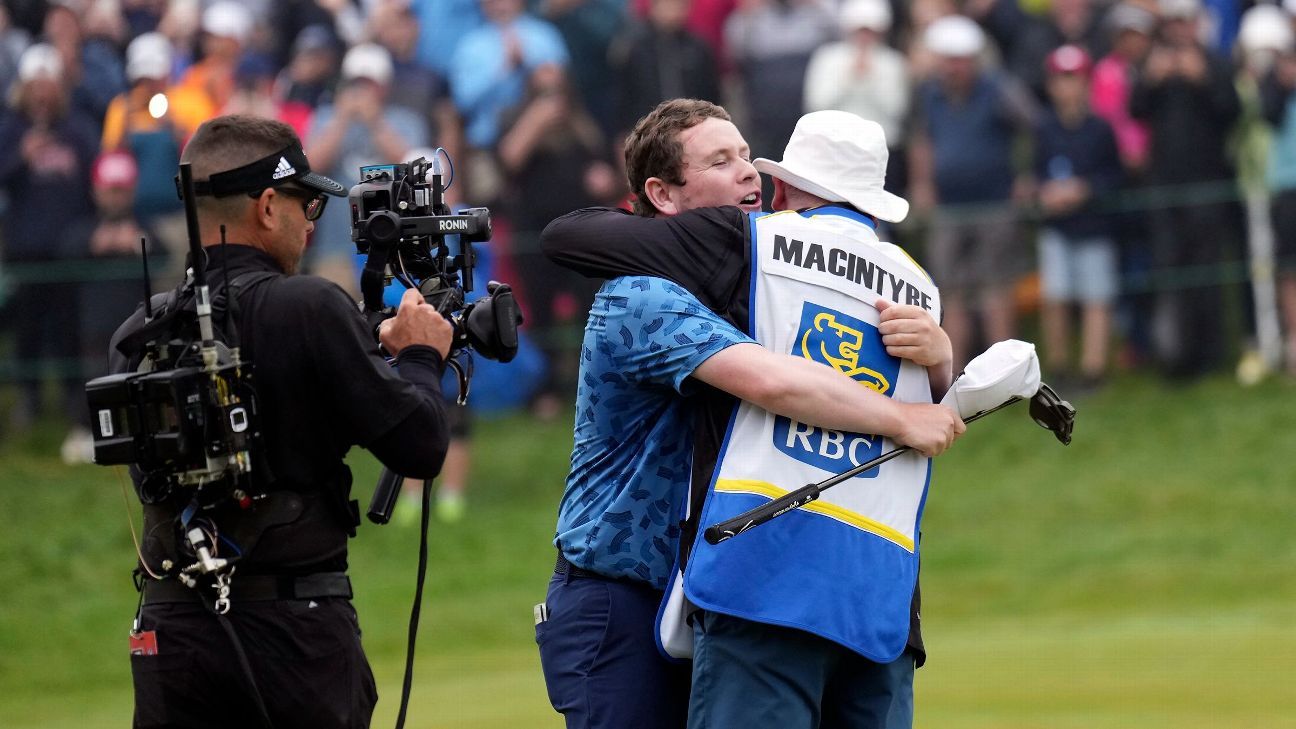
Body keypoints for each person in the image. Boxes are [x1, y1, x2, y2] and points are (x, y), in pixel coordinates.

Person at [537, 100, 963, 729]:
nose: (750, 174)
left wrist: (939, 359)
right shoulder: (641, 294)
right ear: (662, 195)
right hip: (622, 592)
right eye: (720, 160)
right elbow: (772, 381)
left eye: (746, 155)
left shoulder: (766, 284)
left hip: (718, 582)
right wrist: (901, 416)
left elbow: (835, 389)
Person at [109, 115, 455, 729]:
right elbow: (421, 447)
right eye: (307, 202)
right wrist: (423, 355)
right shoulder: (311, 305)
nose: (311, 220)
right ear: (269, 206)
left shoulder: (138, 330)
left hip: (172, 633)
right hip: (293, 632)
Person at [1033, 45, 1123, 389]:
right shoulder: (1044, 128)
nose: (1068, 87)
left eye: (1075, 79)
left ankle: (1093, 369)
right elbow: (1036, 174)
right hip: (1057, 226)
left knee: (1096, 298)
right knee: (1055, 297)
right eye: (1061, 79)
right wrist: (1046, 193)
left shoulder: (1101, 129)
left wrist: (1084, 189)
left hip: (1094, 226)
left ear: (1087, 83)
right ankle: (1058, 368)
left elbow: (1114, 176)